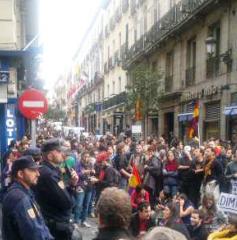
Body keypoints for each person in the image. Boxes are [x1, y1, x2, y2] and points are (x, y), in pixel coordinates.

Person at [34, 139, 79, 240]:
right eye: (58, 151)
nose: (62, 154)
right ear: (50, 156)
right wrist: (72, 188)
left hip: (55, 222)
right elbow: (68, 203)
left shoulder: (53, 171)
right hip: (56, 225)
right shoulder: (49, 174)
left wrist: (72, 184)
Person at [2, 156, 53, 240]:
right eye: (33, 170)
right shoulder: (20, 198)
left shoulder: (24, 192)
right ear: (20, 174)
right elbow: (35, 235)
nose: (38, 174)